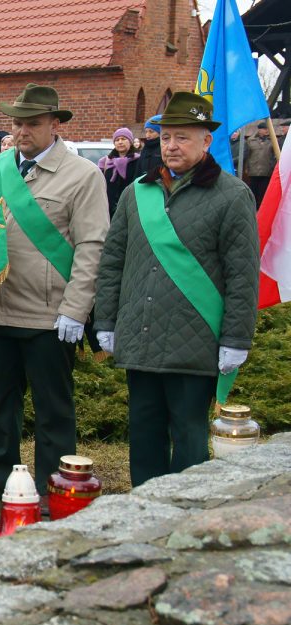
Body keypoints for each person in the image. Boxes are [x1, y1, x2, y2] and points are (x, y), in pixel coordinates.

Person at [94, 91, 260, 488]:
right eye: (166, 137)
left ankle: (187, 520)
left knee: (189, 443)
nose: (171, 146)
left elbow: (242, 275)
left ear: (206, 141)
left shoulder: (232, 196)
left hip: (195, 345)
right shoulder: (137, 192)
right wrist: (106, 319)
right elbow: (113, 260)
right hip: (141, 338)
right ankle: (144, 516)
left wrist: (236, 338)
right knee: (144, 439)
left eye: (183, 137)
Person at [0, 84, 109, 512]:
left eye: (32, 123)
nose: (22, 131)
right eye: (17, 123)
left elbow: (93, 246)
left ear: (55, 125)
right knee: (1, 403)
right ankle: (0, 474)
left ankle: (54, 484)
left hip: (49, 316)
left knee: (53, 410)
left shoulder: (82, 175)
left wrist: (76, 309)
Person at [97, 127, 141, 217]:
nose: (120, 142)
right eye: (117, 140)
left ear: (130, 141)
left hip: (131, 207)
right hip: (109, 209)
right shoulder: (106, 161)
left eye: (123, 139)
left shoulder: (138, 161)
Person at [244, 121, 277, 205]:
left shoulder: (273, 141)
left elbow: (274, 155)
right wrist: (247, 168)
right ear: (259, 130)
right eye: (264, 129)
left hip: (266, 171)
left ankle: (260, 209)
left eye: (267, 129)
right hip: (253, 171)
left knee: (263, 192)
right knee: (253, 191)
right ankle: (253, 207)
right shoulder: (250, 140)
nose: (267, 130)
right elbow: (247, 155)